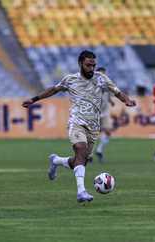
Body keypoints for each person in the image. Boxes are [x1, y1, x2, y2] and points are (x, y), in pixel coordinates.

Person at [22, 50, 136, 203]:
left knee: (81, 160)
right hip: (77, 122)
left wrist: (126, 100)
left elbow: (117, 91)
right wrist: (34, 99)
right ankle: (81, 192)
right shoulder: (70, 80)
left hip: (93, 126)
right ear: (81, 63)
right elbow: (54, 90)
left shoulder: (101, 79)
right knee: (81, 149)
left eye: (94, 65)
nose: (92, 68)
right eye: (89, 65)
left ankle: (56, 161)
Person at [94, 67, 115, 162]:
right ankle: (88, 155)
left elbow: (109, 94)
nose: (103, 75)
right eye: (101, 73)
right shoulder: (93, 83)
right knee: (92, 133)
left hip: (105, 112)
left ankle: (99, 150)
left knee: (108, 132)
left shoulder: (107, 83)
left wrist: (111, 101)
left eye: (104, 74)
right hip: (94, 112)